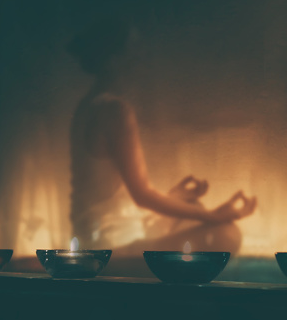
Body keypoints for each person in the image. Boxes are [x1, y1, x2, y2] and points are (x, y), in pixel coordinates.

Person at [68, 16, 256, 256]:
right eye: (134, 49)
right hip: (106, 248)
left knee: (191, 206)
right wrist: (213, 217)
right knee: (227, 234)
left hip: (99, 236)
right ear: (113, 59)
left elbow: (112, 195)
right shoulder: (115, 110)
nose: (142, 56)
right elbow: (142, 196)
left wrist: (174, 198)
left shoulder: (88, 105)